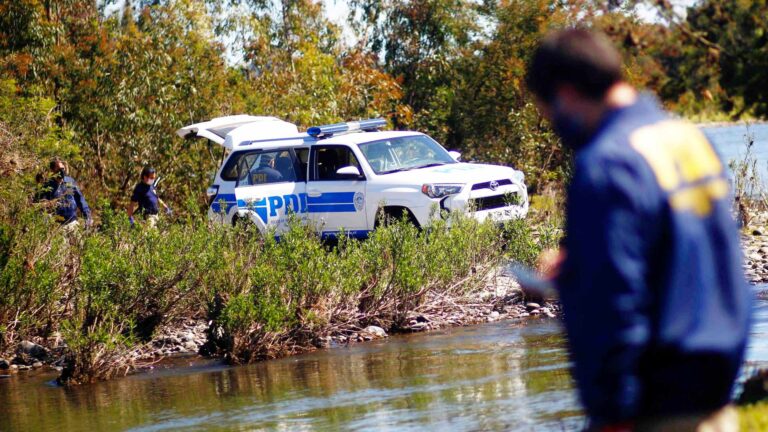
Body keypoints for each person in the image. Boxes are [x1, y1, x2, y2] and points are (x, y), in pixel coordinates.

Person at [525, 29, 751, 431]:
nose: (556, 126)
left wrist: (613, 411)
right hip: (716, 400)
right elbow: (702, 254)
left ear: (566, 95)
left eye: (549, 113)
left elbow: (614, 301)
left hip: (654, 409)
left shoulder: (607, 163)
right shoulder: (687, 138)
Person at [37, 157, 92, 229]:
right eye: (59, 169)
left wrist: (87, 217)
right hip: (57, 227)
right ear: (52, 170)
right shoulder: (47, 186)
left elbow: (80, 200)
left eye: (63, 168)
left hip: (73, 224)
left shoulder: (70, 182)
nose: (61, 171)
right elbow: (39, 205)